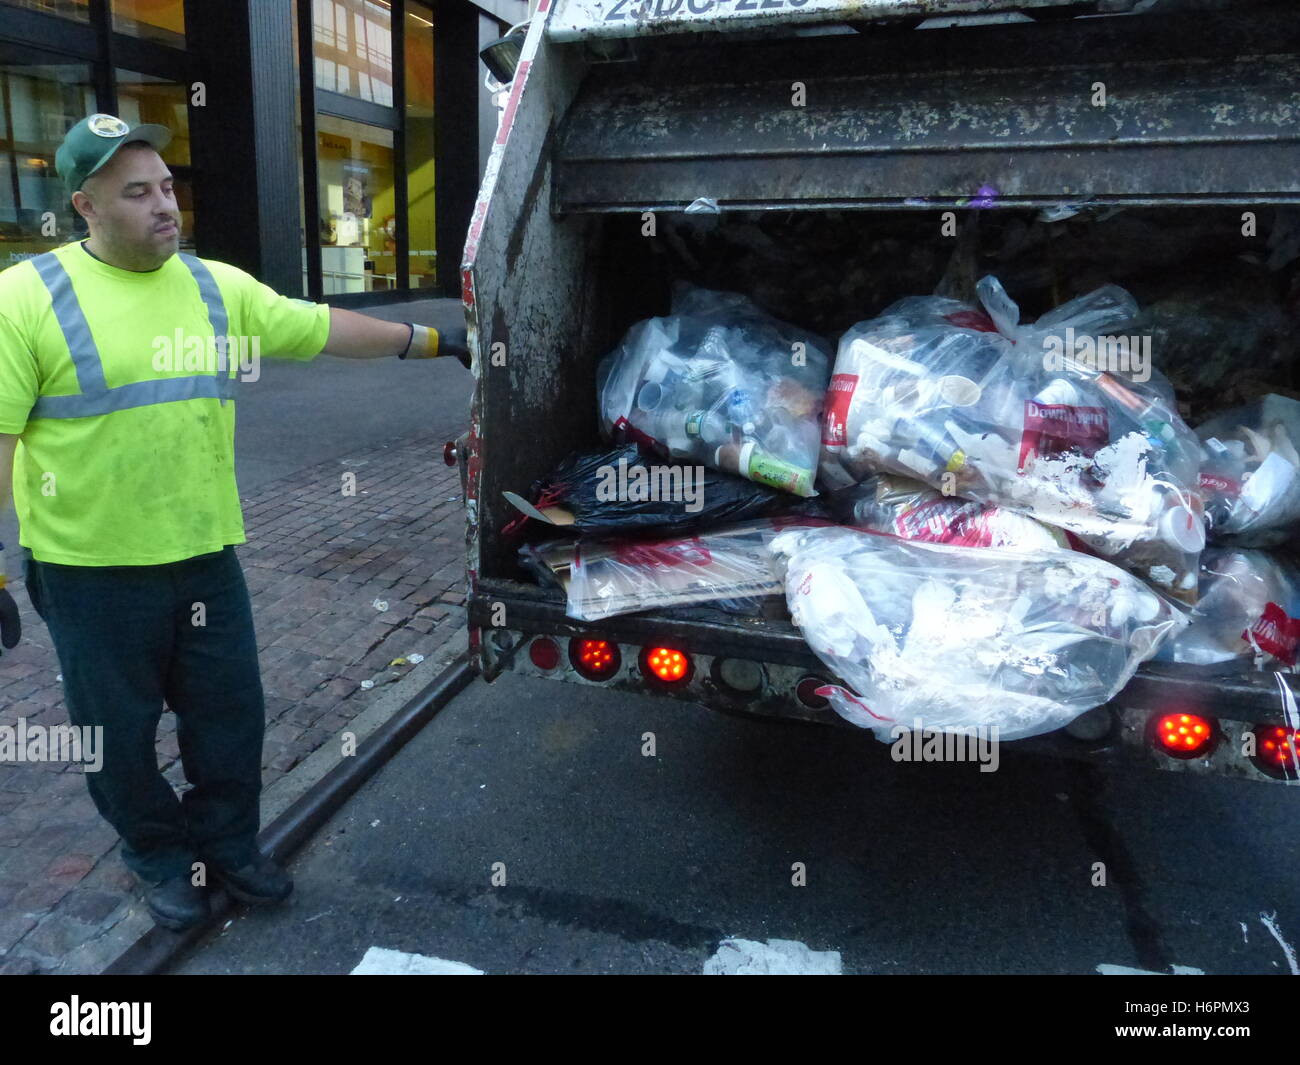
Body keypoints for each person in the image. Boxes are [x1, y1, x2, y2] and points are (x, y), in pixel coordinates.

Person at [0, 113, 470, 932]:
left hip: (204, 557)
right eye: (136, 192)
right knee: (116, 737)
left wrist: (433, 338)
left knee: (229, 715)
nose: (163, 206)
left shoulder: (213, 286)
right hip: (89, 572)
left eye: (167, 187)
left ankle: (229, 844)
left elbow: (319, 326)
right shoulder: (25, 299)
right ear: (85, 207)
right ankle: (156, 852)